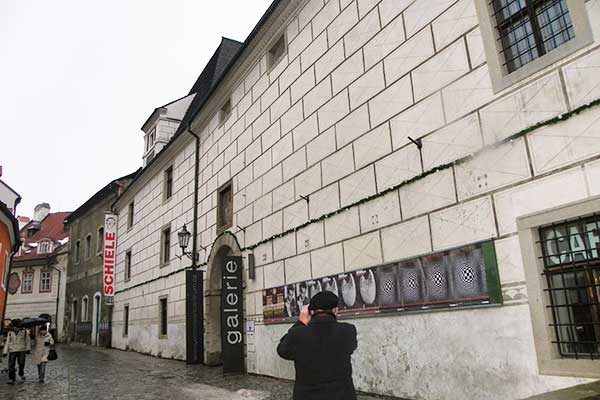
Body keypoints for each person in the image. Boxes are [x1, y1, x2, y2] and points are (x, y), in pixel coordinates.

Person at [277, 291, 358, 400]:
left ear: (310, 312)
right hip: (342, 395)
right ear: (336, 310)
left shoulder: (297, 334)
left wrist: (301, 322)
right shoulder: (348, 330)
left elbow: (282, 350)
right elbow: (351, 348)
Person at [2, 319, 31, 384]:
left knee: (21, 363)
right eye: (14, 326)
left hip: (21, 349)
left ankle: (21, 373)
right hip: (13, 350)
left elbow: (27, 340)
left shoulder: (25, 331)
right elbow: (7, 342)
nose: (15, 328)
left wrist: (28, 349)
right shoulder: (10, 332)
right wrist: (5, 352)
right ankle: (12, 378)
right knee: (11, 364)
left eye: (16, 326)